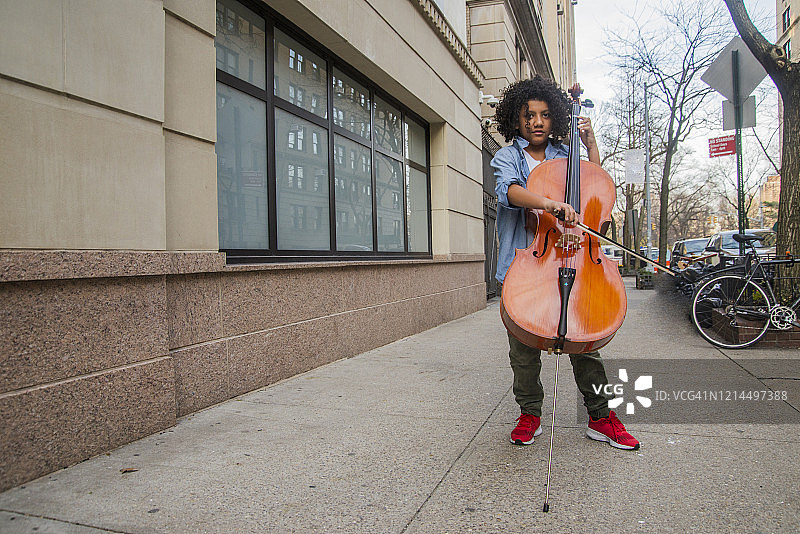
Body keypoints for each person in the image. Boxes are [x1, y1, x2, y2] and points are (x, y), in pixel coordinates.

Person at [490, 76, 639, 451]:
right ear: (516, 119)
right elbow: (510, 192)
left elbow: (593, 189)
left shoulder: (566, 157)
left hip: (575, 259)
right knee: (523, 352)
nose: (536, 121)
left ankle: (601, 416)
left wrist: (589, 144)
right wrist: (549, 204)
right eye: (528, 115)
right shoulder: (507, 157)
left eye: (543, 115)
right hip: (526, 265)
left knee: (588, 345)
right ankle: (530, 413)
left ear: (556, 118)